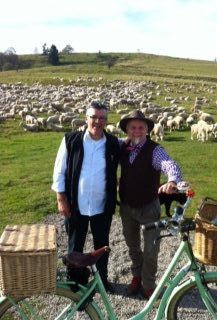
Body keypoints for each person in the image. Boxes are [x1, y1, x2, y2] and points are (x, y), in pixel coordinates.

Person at [51, 101, 120, 292]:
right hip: (76, 205)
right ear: (86, 118)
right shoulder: (70, 140)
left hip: (102, 205)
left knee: (102, 245)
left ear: (106, 121)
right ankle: (76, 285)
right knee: (75, 246)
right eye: (93, 117)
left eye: (102, 118)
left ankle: (102, 281)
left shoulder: (113, 143)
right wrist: (61, 198)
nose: (97, 121)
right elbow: (59, 171)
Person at [118, 110, 182, 299]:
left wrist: (172, 181)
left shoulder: (154, 150)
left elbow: (168, 164)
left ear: (147, 130)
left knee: (151, 249)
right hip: (127, 207)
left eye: (141, 128)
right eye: (133, 127)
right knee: (132, 246)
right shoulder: (122, 147)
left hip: (148, 207)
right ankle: (136, 275)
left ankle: (148, 284)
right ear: (127, 130)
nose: (137, 131)